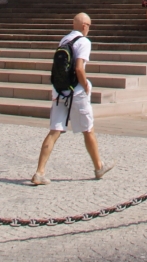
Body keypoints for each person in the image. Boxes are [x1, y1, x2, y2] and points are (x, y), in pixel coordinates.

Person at [31, 12, 115, 185]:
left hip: (60, 90)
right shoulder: (84, 42)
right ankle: (99, 166)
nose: (89, 29)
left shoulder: (64, 40)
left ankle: (39, 172)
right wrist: (85, 85)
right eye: (89, 26)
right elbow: (79, 68)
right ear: (84, 25)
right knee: (88, 129)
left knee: (54, 131)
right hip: (76, 92)